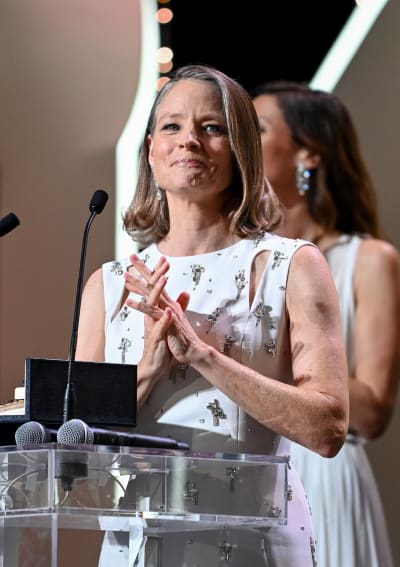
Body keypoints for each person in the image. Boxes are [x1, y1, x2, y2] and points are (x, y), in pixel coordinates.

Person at [76, 64, 349, 566]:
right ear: (151, 153)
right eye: (172, 127)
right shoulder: (108, 284)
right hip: (134, 547)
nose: (190, 141)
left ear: (241, 150)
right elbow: (78, 455)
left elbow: (328, 427)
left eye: (212, 127)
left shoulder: (292, 265)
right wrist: (148, 371)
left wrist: (204, 356)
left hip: (253, 543)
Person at [251, 80, 400, 567]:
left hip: (323, 473)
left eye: (257, 128)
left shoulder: (369, 259)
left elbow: (374, 410)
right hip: (249, 471)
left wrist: (285, 356)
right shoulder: (242, 258)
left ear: (307, 155)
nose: (239, 141)